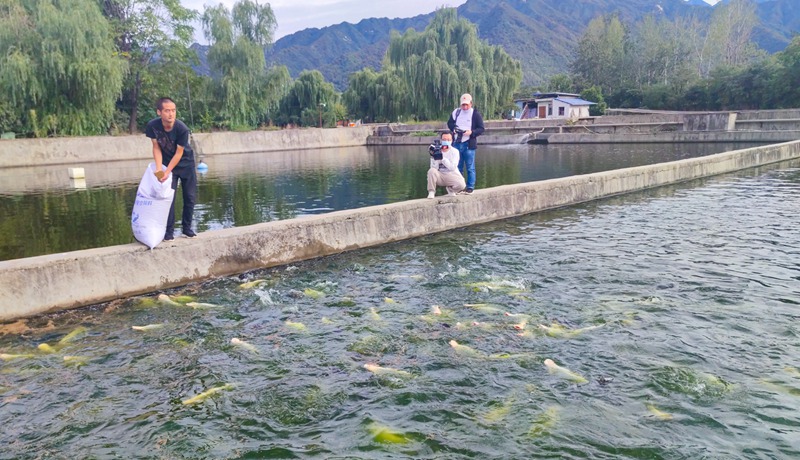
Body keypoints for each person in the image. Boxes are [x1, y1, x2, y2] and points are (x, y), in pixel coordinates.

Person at [145, 97, 197, 240]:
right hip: (168, 165)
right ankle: (168, 232)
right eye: (167, 111)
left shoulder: (182, 129)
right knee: (168, 198)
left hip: (186, 164)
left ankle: (186, 229)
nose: (171, 114)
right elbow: (156, 148)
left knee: (190, 197)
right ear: (159, 112)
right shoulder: (152, 126)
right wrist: (159, 169)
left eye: (173, 110)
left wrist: (167, 172)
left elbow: (179, 153)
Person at [447, 93, 485, 195]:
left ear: (471, 104)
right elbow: (449, 123)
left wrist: (471, 132)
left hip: (469, 143)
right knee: (457, 166)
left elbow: (481, 128)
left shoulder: (475, 114)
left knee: (470, 167)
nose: (464, 107)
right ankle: (459, 186)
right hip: (456, 143)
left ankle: (470, 187)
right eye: (463, 105)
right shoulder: (456, 112)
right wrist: (454, 129)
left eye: (466, 105)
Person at [427, 132, 465, 198]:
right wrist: (434, 156)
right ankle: (431, 191)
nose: (446, 141)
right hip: (440, 175)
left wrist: (442, 158)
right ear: (441, 140)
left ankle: (451, 190)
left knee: (462, 185)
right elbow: (433, 168)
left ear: (452, 141)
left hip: (451, 174)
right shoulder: (436, 150)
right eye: (444, 139)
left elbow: (452, 167)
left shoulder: (455, 151)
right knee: (431, 171)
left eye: (448, 140)